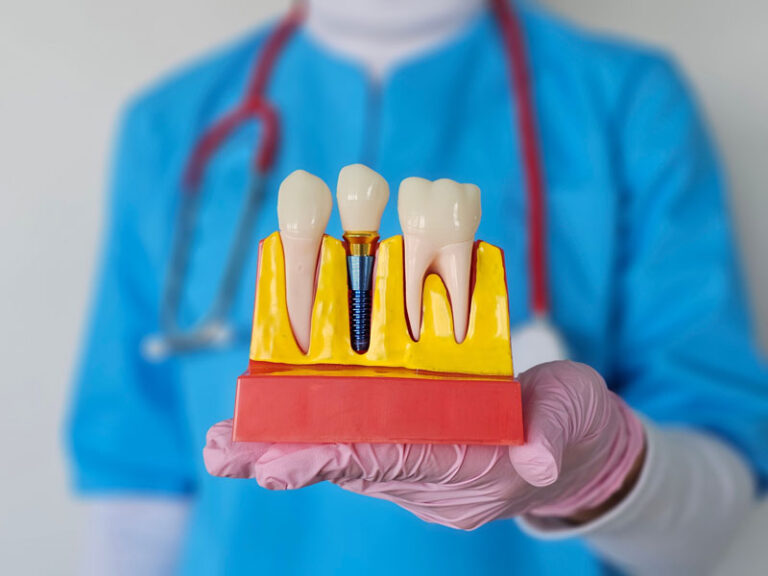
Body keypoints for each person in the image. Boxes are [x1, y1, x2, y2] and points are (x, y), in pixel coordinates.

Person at [67, 0, 768, 574]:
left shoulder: (627, 101)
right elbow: (135, 482)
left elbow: (709, 517)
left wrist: (601, 472)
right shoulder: (172, 127)